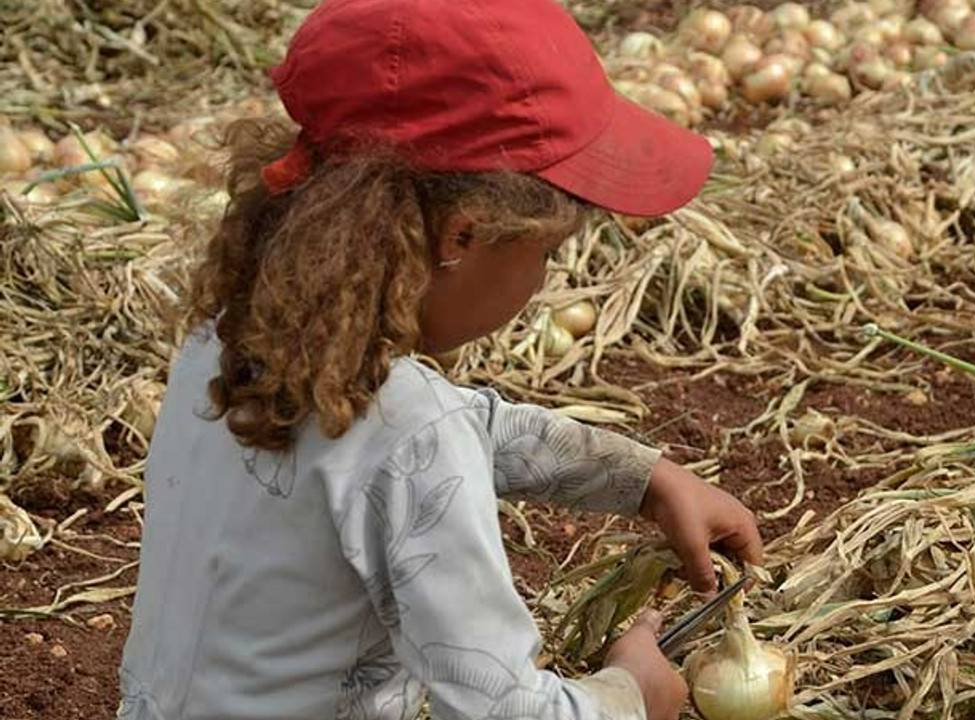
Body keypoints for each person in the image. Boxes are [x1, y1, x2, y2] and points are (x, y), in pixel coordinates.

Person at [116, 1, 764, 719]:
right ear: (461, 235)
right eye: (546, 252)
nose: (545, 278)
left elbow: (451, 429)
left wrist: (640, 477)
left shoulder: (227, 341)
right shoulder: (410, 432)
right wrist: (630, 692)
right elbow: (506, 712)